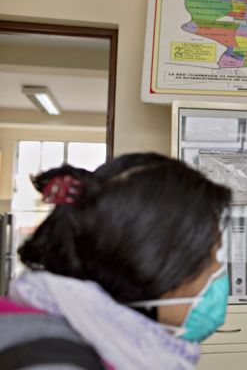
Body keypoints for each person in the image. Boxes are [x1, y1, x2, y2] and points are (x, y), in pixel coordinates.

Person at [0, 153, 232, 369]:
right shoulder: (53, 361)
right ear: (153, 265)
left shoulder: (85, 341)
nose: (218, 272)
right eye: (210, 258)